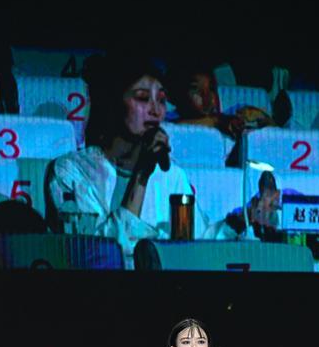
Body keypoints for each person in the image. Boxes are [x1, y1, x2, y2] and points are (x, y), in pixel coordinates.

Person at [47, 54, 202, 263]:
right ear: (113, 103)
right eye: (142, 98)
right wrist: (141, 176)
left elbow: (201, 242)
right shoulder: (70, 171)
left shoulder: (173, 175)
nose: (156, 111)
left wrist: (237, 221)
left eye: (162, 100)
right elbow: (95, 254)